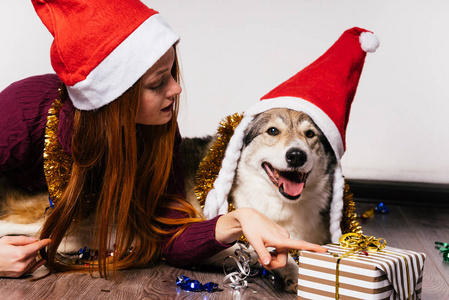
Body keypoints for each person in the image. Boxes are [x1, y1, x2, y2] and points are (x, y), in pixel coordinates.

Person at [0, 0, 326, 278]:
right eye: (158, 84)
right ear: (115, 98)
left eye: (172, 73)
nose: (176, 89)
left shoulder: (159, 134)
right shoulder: (19, 116)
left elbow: (166, 234)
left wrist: (235, 221)